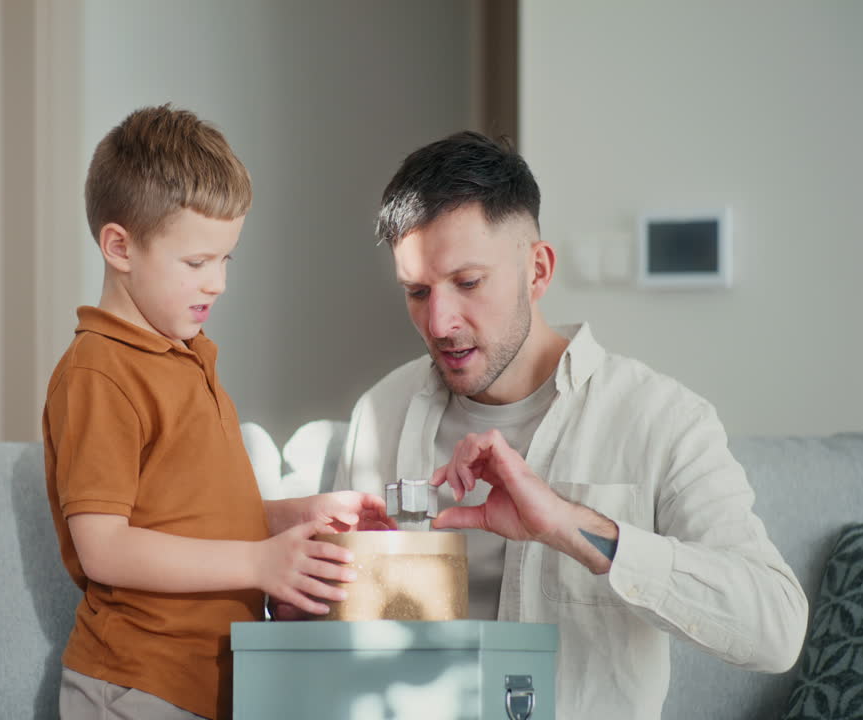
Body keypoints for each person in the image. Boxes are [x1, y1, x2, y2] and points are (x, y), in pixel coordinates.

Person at [332, 131, 808, 720]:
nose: (440, 321)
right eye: (418, 292)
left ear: (537, 270)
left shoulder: (662, 422)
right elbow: (330, 639)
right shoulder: (379, 414)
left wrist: (571, 527)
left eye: (468, 282)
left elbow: (777, 628)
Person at [43, 105, 390, 720]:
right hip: (136, 686)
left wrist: (293, 516)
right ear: (119, 247)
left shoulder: (187, 359)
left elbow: (192, 519)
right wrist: (259, 561)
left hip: (209, 688)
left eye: (226, 260)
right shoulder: (100, 371)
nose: (218, 284)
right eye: (196, 263)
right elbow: (104, 547)